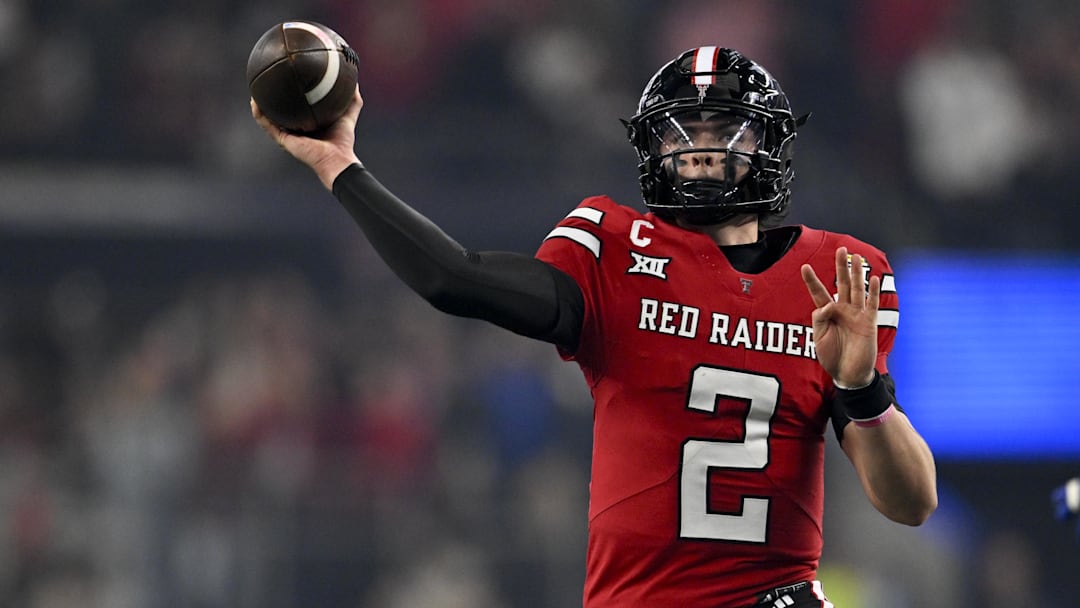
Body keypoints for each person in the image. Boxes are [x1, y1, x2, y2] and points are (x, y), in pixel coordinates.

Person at [252, 45, 937, 608]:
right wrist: (341, 165)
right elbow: (453, 278)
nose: (699, 148)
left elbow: (912, 503)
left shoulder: (837, 276)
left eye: (723, 128)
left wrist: (862, 386)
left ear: (770, 145)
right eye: (681, 130)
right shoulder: (615, 247)